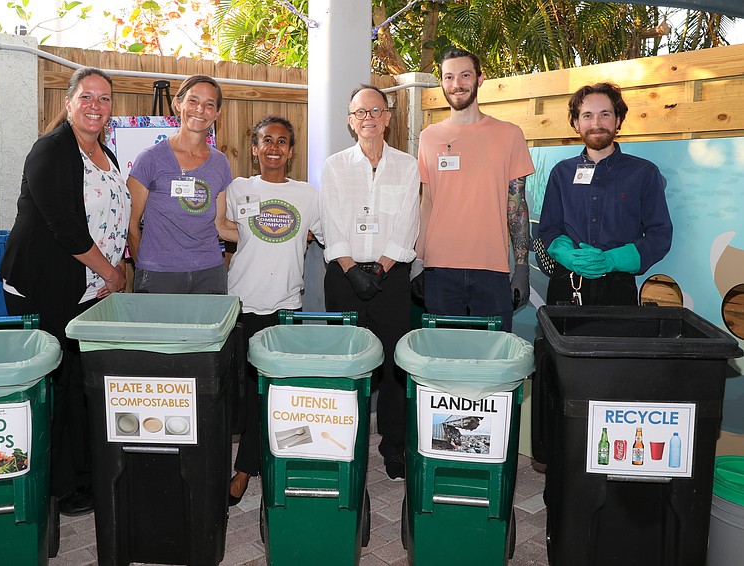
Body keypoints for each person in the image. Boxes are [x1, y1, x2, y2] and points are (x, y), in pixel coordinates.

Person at [0, 67, 129, 516]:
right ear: (69, 103)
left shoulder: (105, 152)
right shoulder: (51, 150)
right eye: (87, 97)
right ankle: (52, 487)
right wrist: (111, 274)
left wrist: (112, 272)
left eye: (104, 99)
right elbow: (66, 229)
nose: (96, 105)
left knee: (78, 385)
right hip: (44, 285)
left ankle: (79, 480)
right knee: (53, 385)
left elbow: (112, 216)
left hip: (87, 288)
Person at [218, 116, 322, 505]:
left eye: (282, 141)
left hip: (285, 307)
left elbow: (327, 233)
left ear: (291, 151)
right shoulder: (238, 188)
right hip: (242, 304)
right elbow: (222, 228)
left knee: (277, 390)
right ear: (254, 148)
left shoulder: (308, 196)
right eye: (266, 140)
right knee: (244, 393)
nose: (274, 148)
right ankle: (249, 463)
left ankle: (251, 468)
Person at [319, 84, 420, 481]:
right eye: (360, 113)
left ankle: (392, 445)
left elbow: (408, 221)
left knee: (395, 365)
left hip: (390, 276)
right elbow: (331, 219)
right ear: (350, 121)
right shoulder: (335, 165)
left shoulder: (407, 166)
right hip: (344, 277)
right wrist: (351, 268)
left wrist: (380, 267)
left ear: (388, 118)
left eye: (375, 111)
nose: (368, 119)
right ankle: (345, 441)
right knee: (348, 364)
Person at [415, 48, 535, 333]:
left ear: (480, 79)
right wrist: (418, 261)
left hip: (492, 268)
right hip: (439, 268)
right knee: (444, 358)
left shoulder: (509, 134)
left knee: (493, 360)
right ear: (442, 83)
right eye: (449, 77)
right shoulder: (429, 137)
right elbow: (427, 203)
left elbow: (516, 206)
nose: (457, 84)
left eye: (465, 75)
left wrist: (521, 268)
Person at [537, 83, 673, 306]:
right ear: (575, 123)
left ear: (618, 120)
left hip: (619, 291)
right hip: (566, 287)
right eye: (587, 115)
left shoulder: (644, 173)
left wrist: (612, 259)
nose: (596, 124)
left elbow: (660, 234)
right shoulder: (561, 173)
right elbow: (549, 228)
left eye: (605, 114)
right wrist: (567, 255)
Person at [127, 74, 233, 293]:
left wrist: (270, 238)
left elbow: (220, 225)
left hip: (209, 274)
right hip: (158, 276)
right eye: (193, 101)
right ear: (178, 103)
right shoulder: (150, 159)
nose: (200, 109)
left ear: (217, 113)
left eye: (209, 104)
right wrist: (145, 268)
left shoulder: (220, 163)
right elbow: (130, 225)